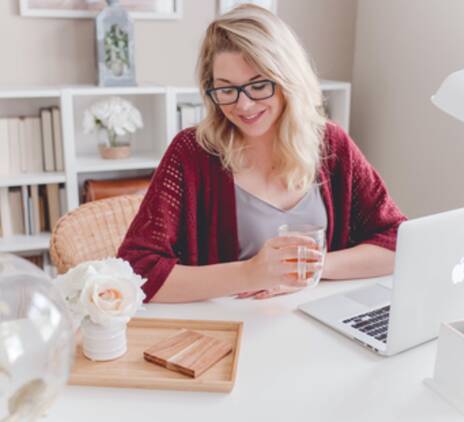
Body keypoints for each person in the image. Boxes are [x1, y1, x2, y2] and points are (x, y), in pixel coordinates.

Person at [117, 4, 406, 303]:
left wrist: (310, 268)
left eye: (258, 85)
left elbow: (398, 241)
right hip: (228, 332)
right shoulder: (192, 153)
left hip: (314, 325)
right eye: (226, 89)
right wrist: (250, 273)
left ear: (288, 80)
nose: (243, 105)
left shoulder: (331, 144)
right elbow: (136, 271)